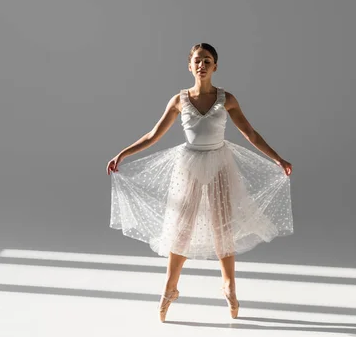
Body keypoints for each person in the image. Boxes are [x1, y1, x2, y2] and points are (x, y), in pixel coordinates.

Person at [106, 43, 293, 322]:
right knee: (181, 227)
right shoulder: (180, 100)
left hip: (219, 163)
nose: (202, 65)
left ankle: (229, 285)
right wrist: (122, 153)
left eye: (207, 61)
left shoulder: (226, 98)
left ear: (215, 66)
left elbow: (250, 134)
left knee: (221, 226)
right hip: (189, 166)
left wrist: (278, 159)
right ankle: (170, 287)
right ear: (190, 66)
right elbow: (153, 135)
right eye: (197, 61)